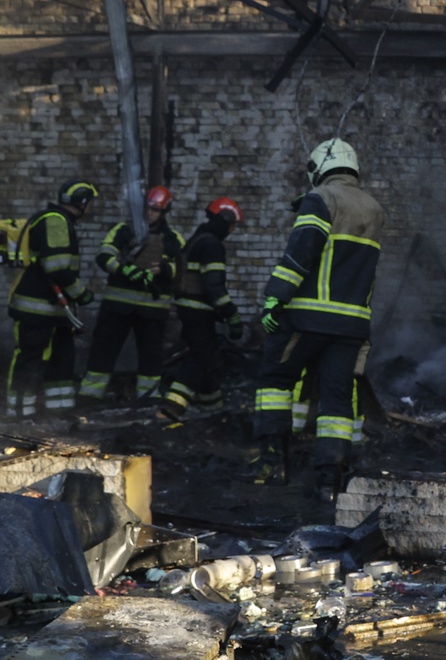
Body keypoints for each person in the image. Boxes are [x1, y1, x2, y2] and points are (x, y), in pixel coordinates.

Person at [246, 137, 384, 502]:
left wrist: (276, 297)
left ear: (321, 166)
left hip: (307, 316)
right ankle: (330, 481)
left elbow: (301, 251)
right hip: (351, 324)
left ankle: (272, 465)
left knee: (275, 379)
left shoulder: (321, 199)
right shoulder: (373, 208)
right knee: (337, 400)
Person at [78, 185, 186, 404]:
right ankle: (90, 396)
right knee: (103, 350)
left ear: (163, 212)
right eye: (147, 209)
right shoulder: (122, 230)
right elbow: (104, 255)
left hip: (153, 311)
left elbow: (183, 271)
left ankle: (148, 396)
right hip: (117, 307)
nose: (150, 214)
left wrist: (164, 270)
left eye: (155, 210)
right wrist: (124, 269)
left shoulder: (174, 239)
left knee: (151, 356)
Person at [5, 180, 99, 416]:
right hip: (37, 311)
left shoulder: (59, 220)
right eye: (91, 202)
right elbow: (56, 266)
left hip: (55, 312)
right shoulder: (55, 221)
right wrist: (82, 294)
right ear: (83, 201)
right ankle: (18, 413)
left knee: (61, 360)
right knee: (31, 358)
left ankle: (58, 413)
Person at [158, 197, 245, 422]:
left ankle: (212, 409)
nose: (232, 230)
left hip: (188, 309)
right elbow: (213, 285)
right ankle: (170, 409)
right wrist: (232, 315)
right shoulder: (212, 245)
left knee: (210, 357)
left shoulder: (197, 239)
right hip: (199, 311)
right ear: (224, 221)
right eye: (232, 224)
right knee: (198, 358)